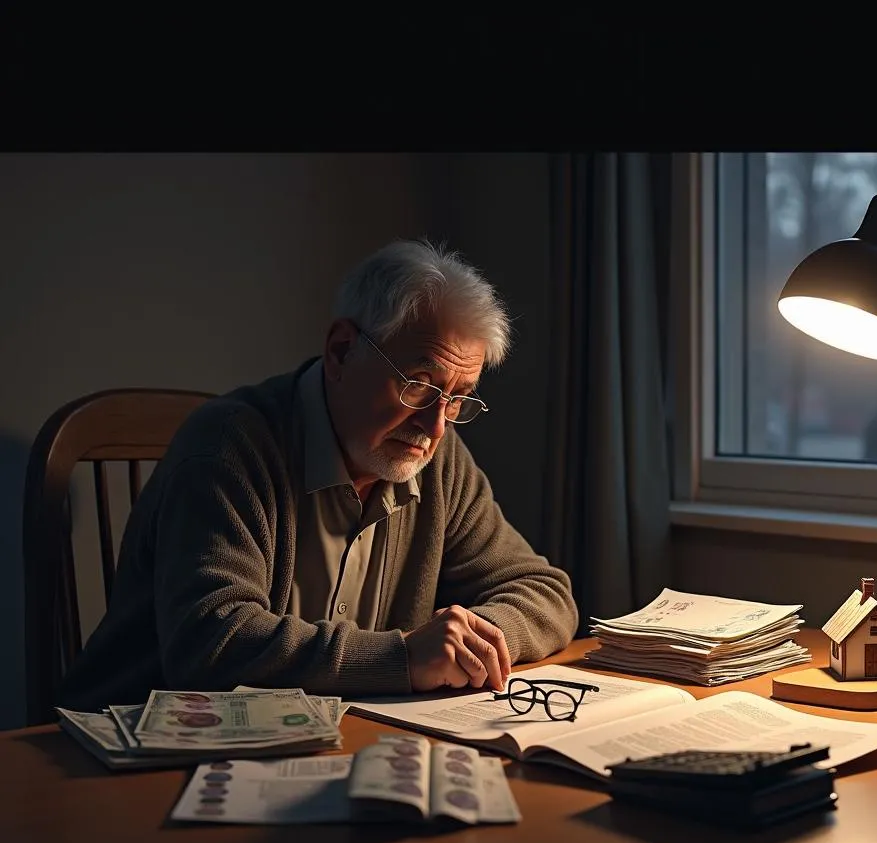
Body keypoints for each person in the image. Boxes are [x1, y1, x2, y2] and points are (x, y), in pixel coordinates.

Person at [57, 238, 579, 712]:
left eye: (459, 397)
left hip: (325, 741)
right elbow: (211, 644)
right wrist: (402, 659)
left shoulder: (438, 457)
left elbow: (544, 591)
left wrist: (470, 643)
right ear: (341, 351)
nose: (435, 424)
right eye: (418, 383)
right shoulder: (227, 447)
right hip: (136, 751)